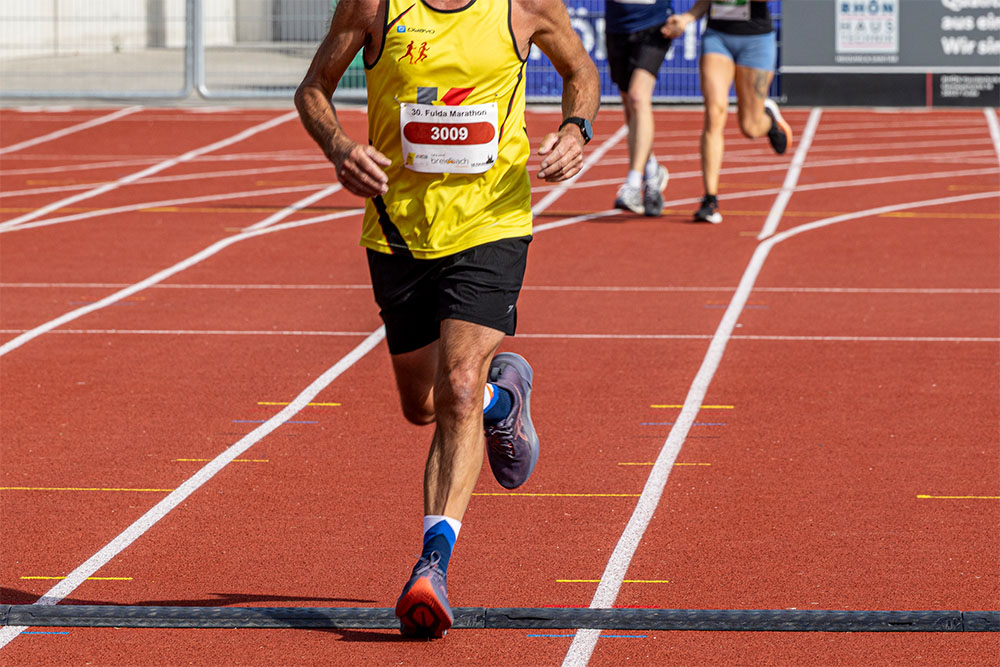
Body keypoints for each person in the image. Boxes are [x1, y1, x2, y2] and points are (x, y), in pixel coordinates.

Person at [295, 0, 599, 639]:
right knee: (424, 405)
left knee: (456, 383)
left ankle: (431, 568)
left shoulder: (523, 7)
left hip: (493, 223)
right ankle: (502, 398)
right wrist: (340, 147)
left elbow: (581, 71)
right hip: (398, 229)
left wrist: (576, 130)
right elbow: (313, 90)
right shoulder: (374, 6)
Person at [664, 0, 792, 224]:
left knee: (750, 127)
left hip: (756, 40)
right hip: (718, 37)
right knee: (714, 112)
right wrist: (687, 18)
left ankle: (768, 121)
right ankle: (710, 199)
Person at [605, 0, 673, 217]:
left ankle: (633, 184)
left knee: (637, 97)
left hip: (654, 26)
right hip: (618, 27)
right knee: (629, 104)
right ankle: (652, 172)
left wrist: (687, 17)